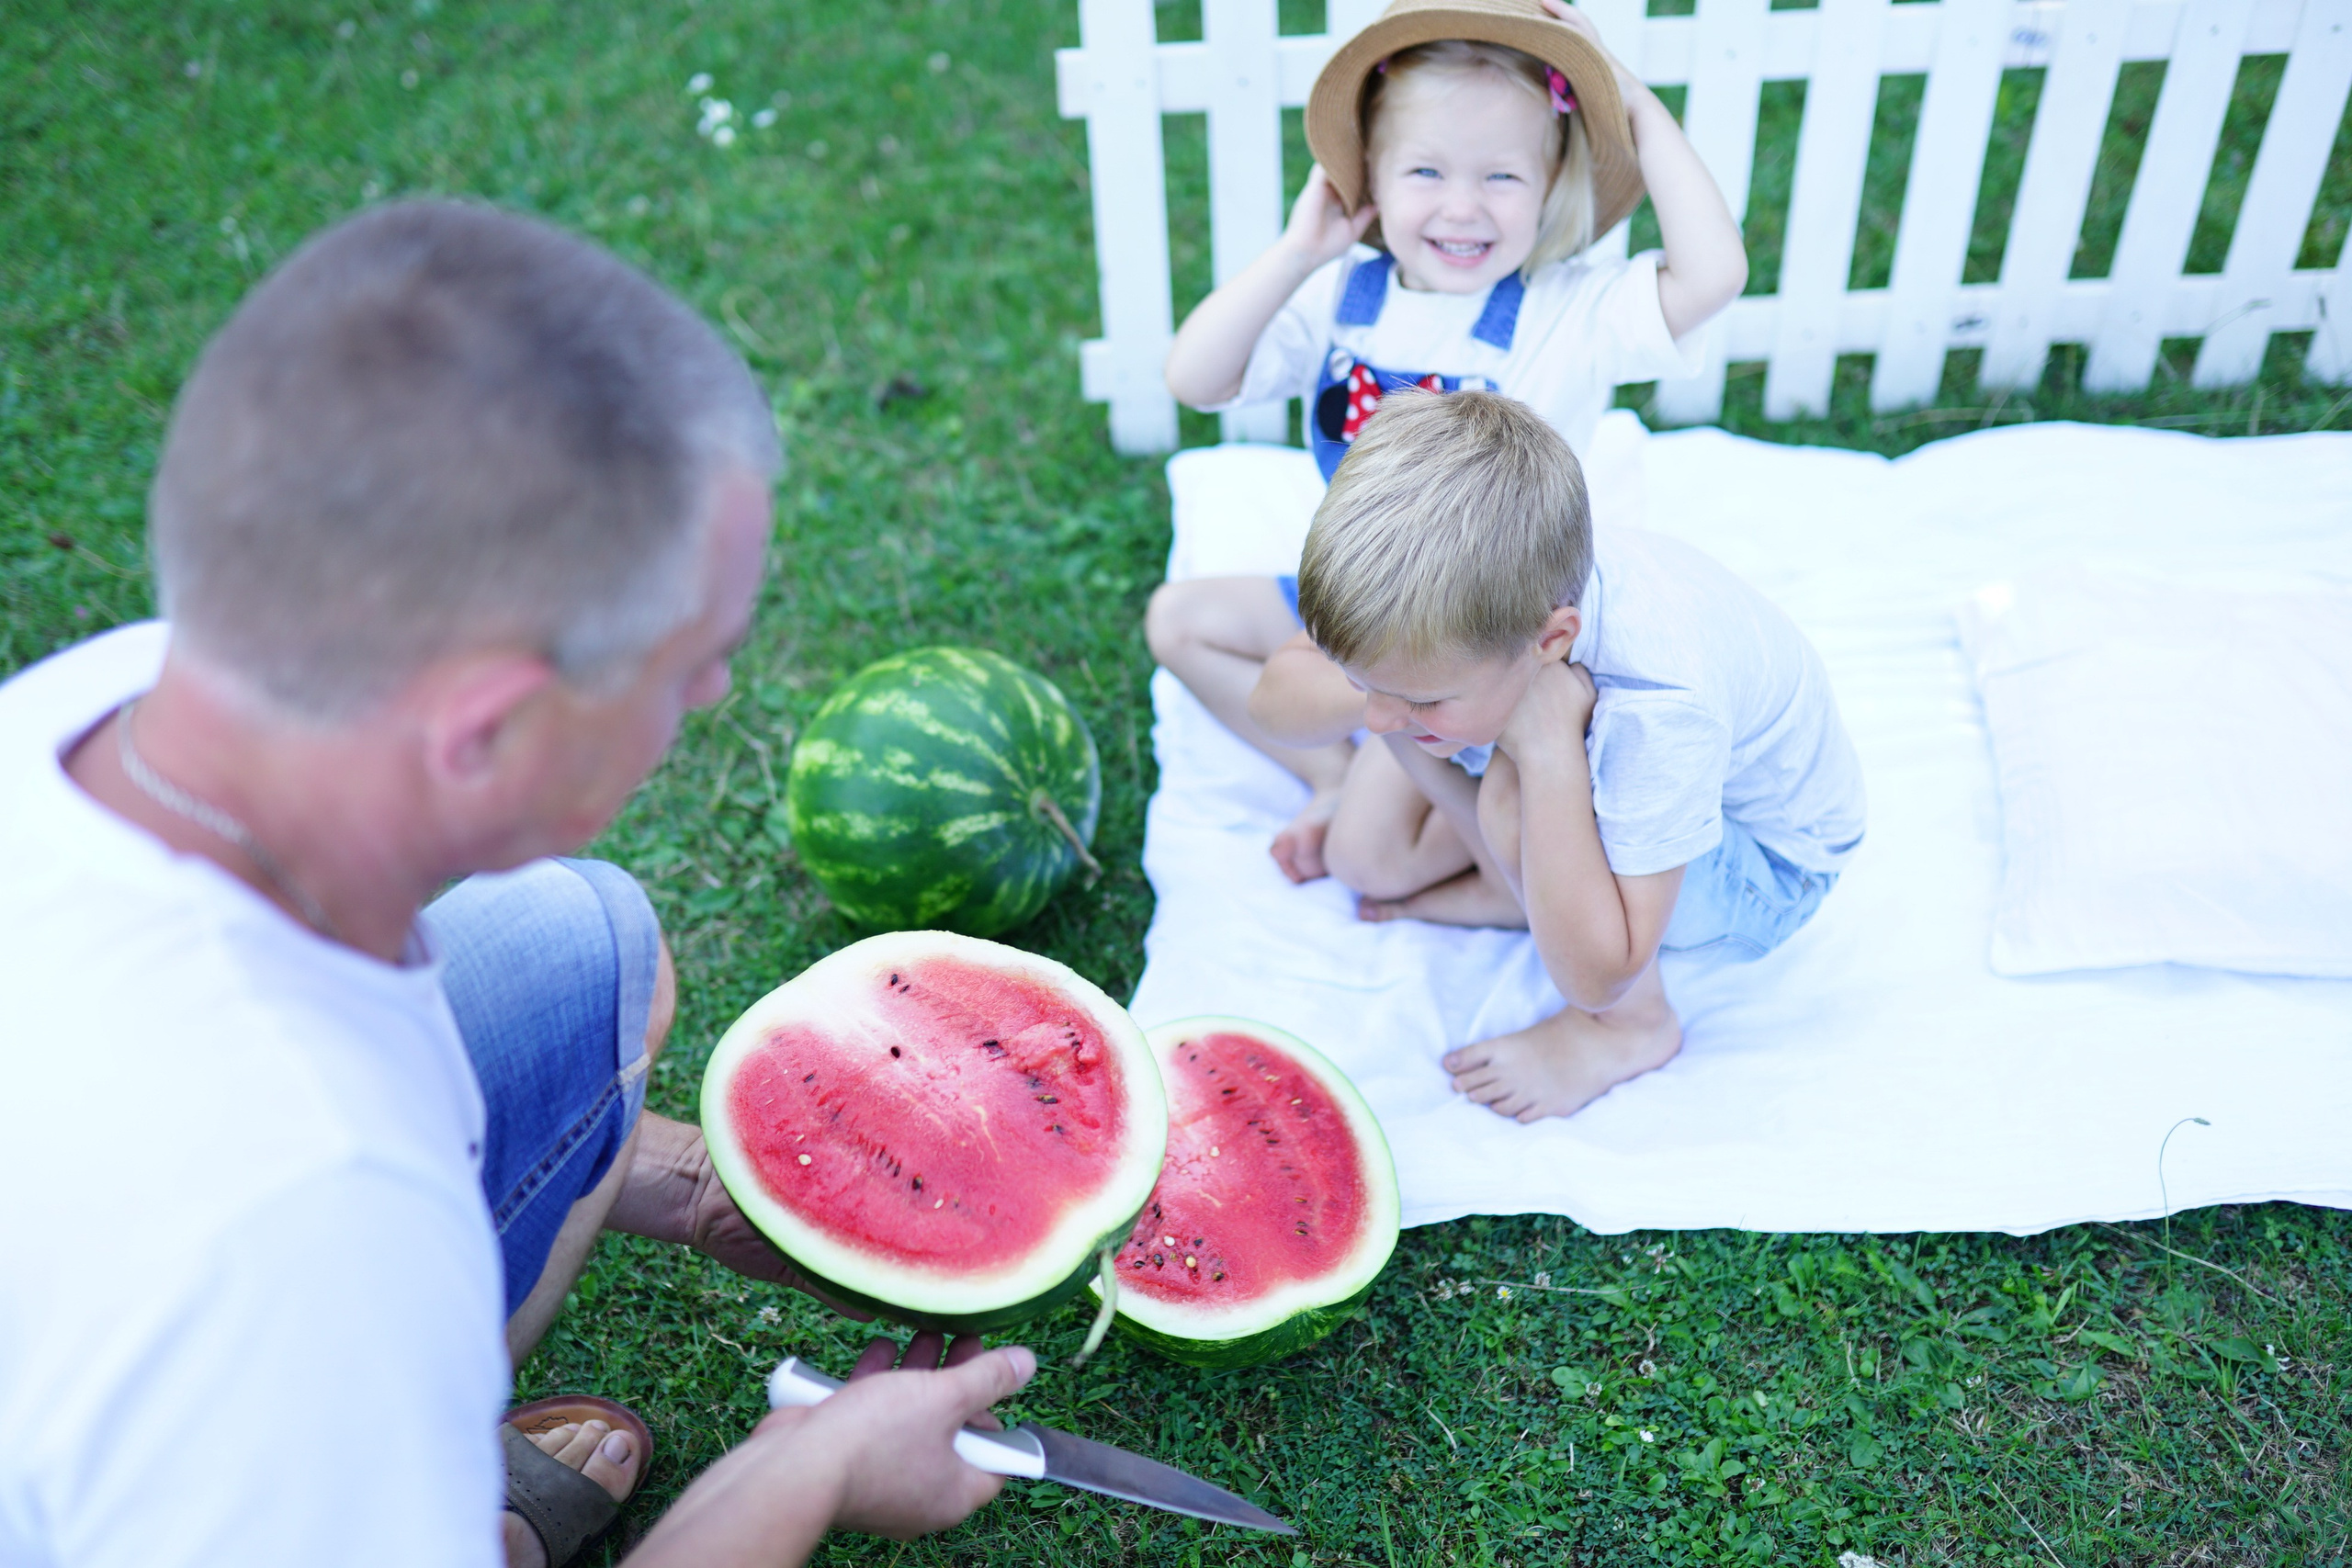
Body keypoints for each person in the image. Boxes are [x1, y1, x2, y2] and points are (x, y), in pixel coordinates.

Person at [0, 199, 1035, 1568]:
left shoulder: (123, 692)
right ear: (485, 726)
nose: (719, 693)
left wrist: (716, 1187)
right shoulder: (309, 1211)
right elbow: (293, 1205)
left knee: (577, 942)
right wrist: (803, 1470)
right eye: (691, 664)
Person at [1148, 0, 1747, 885]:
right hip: (1363, 607)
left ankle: (1510, 873)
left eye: (1501, 177)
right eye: (1425, 170)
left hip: (1484, 642)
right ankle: (1334, 766)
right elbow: (1194, 379)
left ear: (1549, 188)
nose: (1462, 207)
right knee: (1180, 620)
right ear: (1371, 182)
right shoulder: (1341, 298)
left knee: (1373, 863)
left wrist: (1638, 108)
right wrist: (1295, 253)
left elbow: (1714, 274)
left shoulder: (1569, 311)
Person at [1247, 390, 1864, 1122]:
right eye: (1363, 681)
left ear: (1551, 641)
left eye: (1421, 695)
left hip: (1769, 863)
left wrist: (1543, 750)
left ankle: (1637, 1032)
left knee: (1511, 795)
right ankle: (1515, 887)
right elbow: (1273, 705)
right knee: (1364, 859)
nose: (1375, 716)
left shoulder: (1660, 705)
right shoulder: (1460, 602)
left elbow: (1605, 969)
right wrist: (1396, 699)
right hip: (1571, 728)